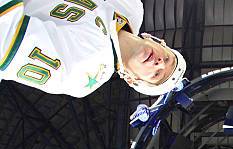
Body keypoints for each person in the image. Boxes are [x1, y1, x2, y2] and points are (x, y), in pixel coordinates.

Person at [0, 0, 186, 98]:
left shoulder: (87, 71)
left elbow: (5, 41)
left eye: (156, 75)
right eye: (167, 59)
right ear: (158, 41)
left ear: (132, 80)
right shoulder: (132, 8)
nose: (159, 63)